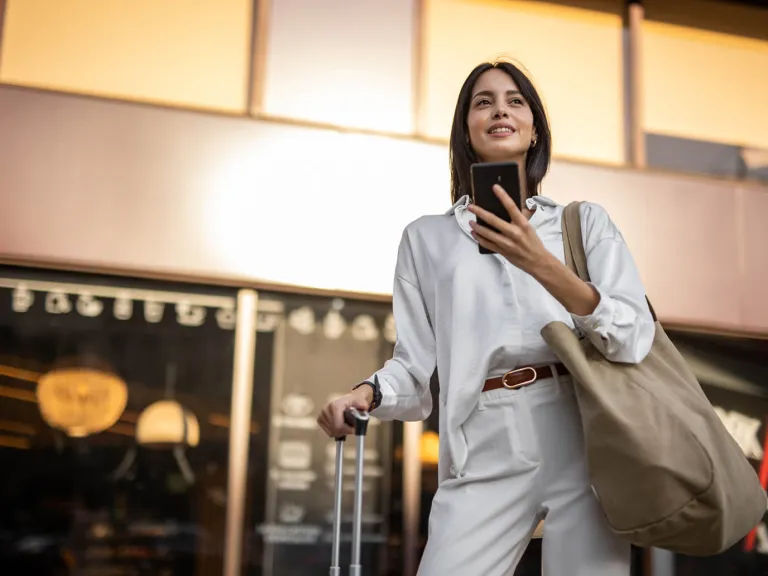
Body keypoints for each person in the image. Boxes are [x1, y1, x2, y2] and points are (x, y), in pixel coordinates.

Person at [317, 60, 655, 576]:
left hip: (583, 433)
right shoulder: (426, 238)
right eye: (483, 101)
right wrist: (366, 393)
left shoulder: (584, 224)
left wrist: (540, 261)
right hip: (482, 437)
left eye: (515, 100)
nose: (500, 108)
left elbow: (632, 336)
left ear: (534, 128)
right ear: (467, 130)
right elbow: (414, 367)